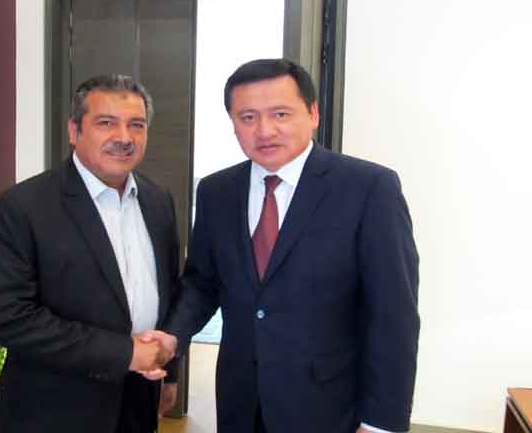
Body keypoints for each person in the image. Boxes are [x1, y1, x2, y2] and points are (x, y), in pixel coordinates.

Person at [150, 59, 420, 433]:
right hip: (241, 402)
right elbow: (202, 283)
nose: (265, 130)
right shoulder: (216, 192)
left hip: (329, 407)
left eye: (280, 114)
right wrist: (172, 336)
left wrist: (381, 423)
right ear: (233, 124)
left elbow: (394, 315)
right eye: (248, 117)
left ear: (313, 114)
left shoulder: (368, 188)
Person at [0, 74, 180, 433]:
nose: (124, 137)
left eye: (136, 125)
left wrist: (171, 371)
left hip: (139, 399)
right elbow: (10, 318)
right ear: (75, 131)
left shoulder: (158, 200)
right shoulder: (19, 209)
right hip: (56, 410)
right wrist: (125, 354)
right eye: (106, 123)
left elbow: (168, 294)